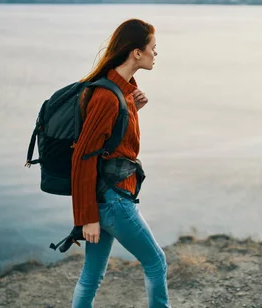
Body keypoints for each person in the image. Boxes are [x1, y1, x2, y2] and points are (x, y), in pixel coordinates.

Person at [70, 19, 170, 308]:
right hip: (112, 203)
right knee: (156, 262)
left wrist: (133, 110)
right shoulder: (106, 96)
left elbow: (114, 144)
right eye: (153, 47)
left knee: (91, 275)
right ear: (136, 52)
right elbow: (82, 157)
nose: (156, 54)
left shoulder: (120, 93)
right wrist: (85, 218)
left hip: (104, 199)